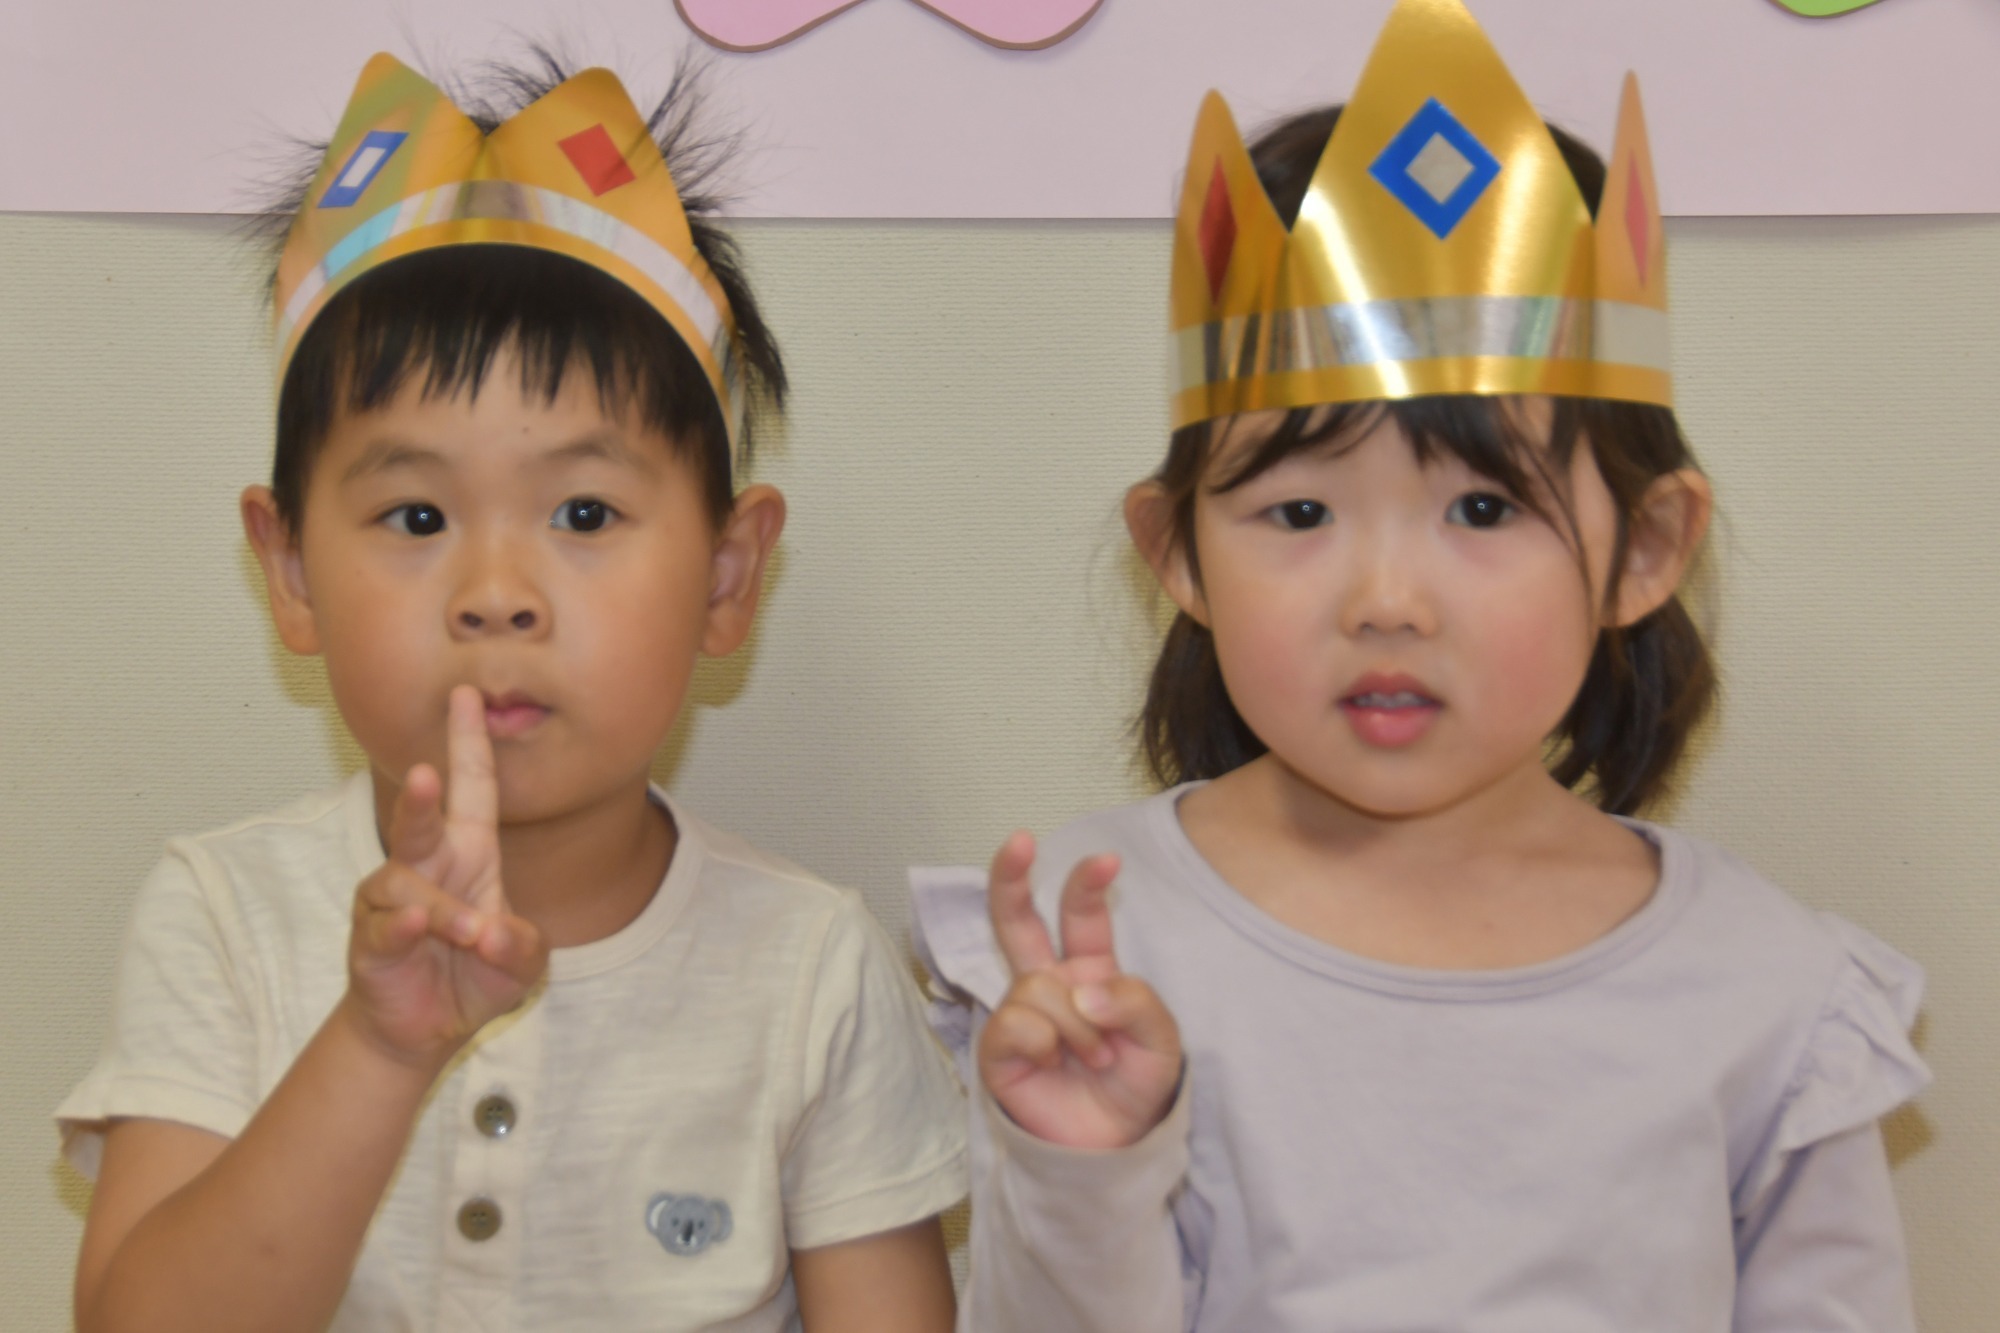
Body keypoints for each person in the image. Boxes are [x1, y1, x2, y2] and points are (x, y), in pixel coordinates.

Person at [912, 1, 1929, 1329]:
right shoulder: (1088, 954)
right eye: (1299, 512)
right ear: (1177, 555)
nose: (1386, 602)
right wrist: (1082, 1173)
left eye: (1482, 509)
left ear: (1645, 547)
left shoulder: (1767, 992)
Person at [60, 51, 964, 1333]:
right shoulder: (224, 915)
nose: (496, 594)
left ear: (725, 575)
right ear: (291, 570)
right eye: (416, 514)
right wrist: (378, 1046)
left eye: (584, 513)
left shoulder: (812, 967)